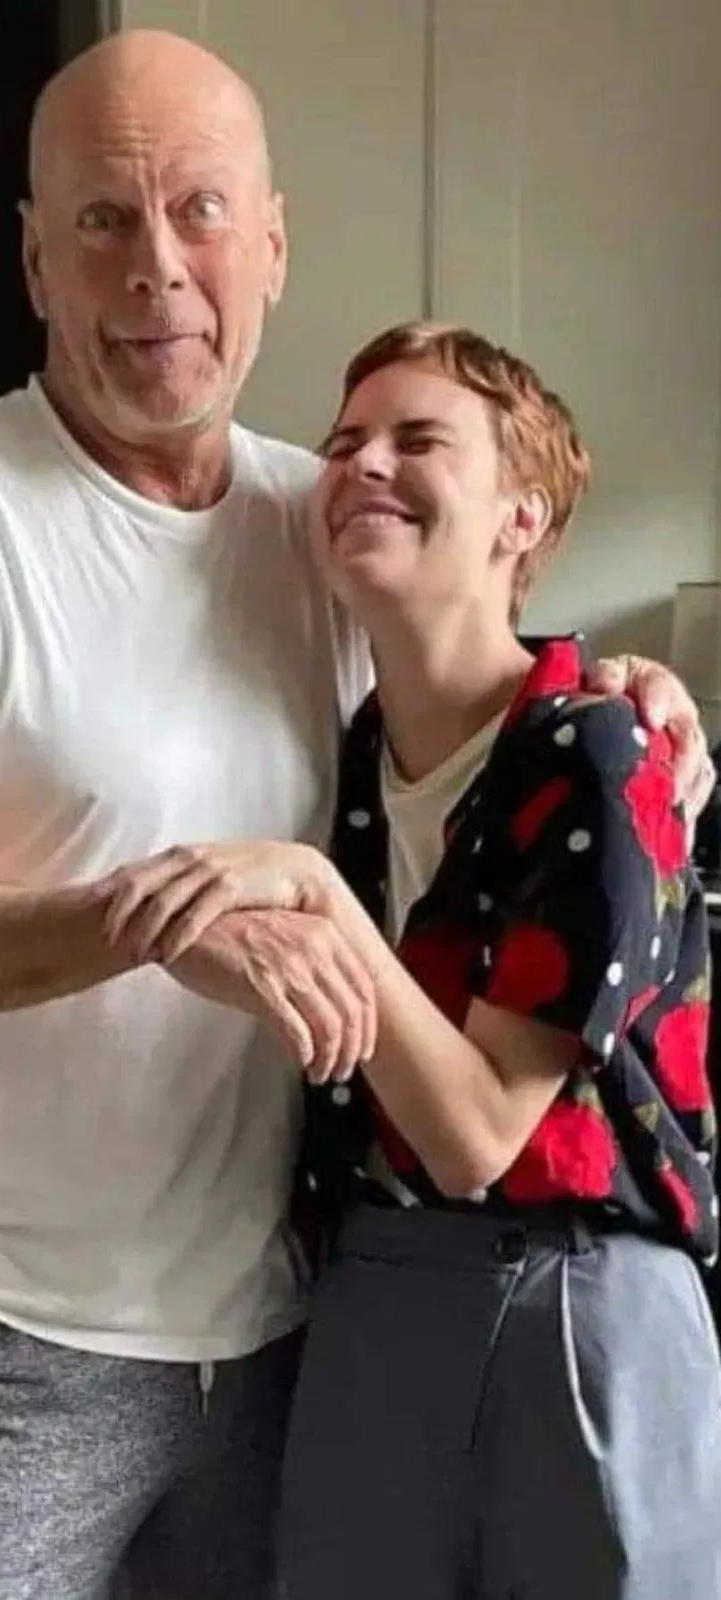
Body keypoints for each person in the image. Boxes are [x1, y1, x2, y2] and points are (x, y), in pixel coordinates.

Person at [0, 28, 713, 1600]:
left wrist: (636, 690)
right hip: (15, 1339)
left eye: (200, 210)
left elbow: (485, 662)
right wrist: (156, 926)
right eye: (102, 219)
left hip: (296, 1331)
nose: (157, 266)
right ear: (35, 259)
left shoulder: (323, 519)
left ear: (272, 246)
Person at [103, 321, 721, 1598]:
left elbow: (477, 1133)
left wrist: (320, 899)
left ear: (519, 518)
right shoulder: (339, 760)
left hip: (577, 1300)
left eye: (417, 439)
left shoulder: (598, 751)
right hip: (365, 1301)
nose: (362, 463)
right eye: (343, 443)